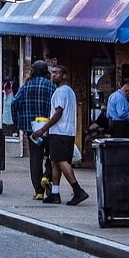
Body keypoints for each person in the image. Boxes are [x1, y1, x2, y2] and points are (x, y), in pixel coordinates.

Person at [30, 65, 89, 206]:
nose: (53, 75)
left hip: (59, 132)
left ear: (64, 75)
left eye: (57, 73)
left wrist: (42, 129)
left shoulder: (61, 92)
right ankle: (55, 193)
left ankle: (78, 190)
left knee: (62, 161)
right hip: (67, 132)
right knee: (54, 162)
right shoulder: (69, 91)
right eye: (52, 73)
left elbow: (58, 112)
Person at [12, 61, 56, 200]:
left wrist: (17, 120)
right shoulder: (51, 86)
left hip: (32, 129)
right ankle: (46, 176)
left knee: (35, 159)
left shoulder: (26, 86)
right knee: (51, 156)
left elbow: (14, 102)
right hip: (48, 127)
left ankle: (38, 191)